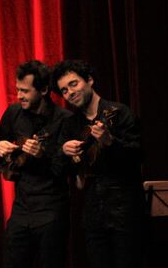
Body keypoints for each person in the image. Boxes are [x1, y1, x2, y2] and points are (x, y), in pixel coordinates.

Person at [51, 59, 144, 268]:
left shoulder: (119, 112)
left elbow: (138, 155)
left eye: (73, 84)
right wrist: (63, 152)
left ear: (90, 80)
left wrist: (110, 142)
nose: (70, 92)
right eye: (64, 90)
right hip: (93, 214)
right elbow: (57, 170)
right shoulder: (70, 124)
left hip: (125, 212)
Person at [0, 60, 72, 268]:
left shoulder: (64, 119)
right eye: (17, 90)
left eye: (25, 91)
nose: (19, 96)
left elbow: (67, 169)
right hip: (21, 209)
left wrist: (43, 155)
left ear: (43, 90)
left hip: (52, 210)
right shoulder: (14, 113)